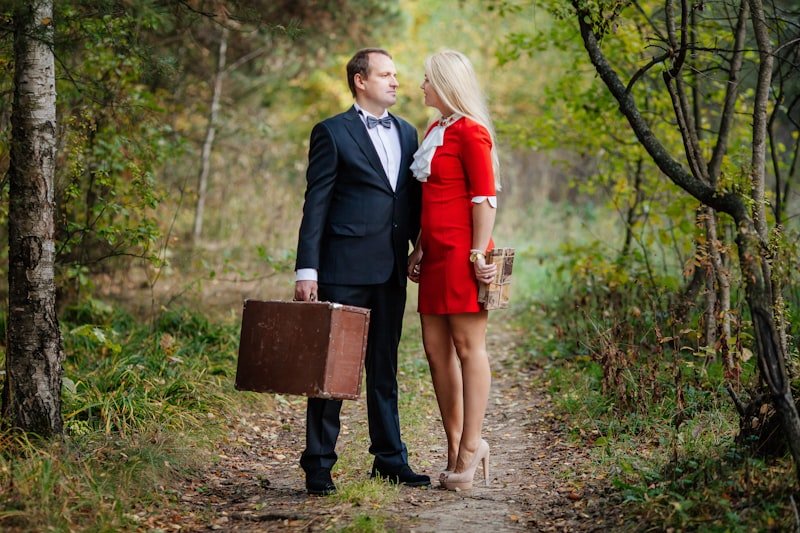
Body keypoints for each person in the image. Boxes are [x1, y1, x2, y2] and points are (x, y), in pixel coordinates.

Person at [294, 48, 430, 496]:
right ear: (360, 80)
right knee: (332, 369)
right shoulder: (332, 132)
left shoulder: (408, 132)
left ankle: (390, 460)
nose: (395, 82)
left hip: (391, 269)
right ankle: (318, 465)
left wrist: (420, 246)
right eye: (385, 74)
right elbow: (316, 204)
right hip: (343, 269)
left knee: (384, 368)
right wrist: (306, 270)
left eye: (395, 75)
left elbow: (408, 201)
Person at [407, 50, 499, 491]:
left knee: (468, 348)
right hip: (435, 257)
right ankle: (454, 446)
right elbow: (433, 199)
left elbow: (485, 199)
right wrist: (419, 247)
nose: (421, 85)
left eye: (427, 79)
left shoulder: (472, 131)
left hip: (464, 255)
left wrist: (478, 254)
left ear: (446, 83)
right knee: (435, 352)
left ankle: (471, 447)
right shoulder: (435, 129)